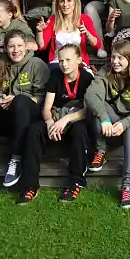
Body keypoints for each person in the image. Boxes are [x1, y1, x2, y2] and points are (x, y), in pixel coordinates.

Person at [18, 44, 95, 204]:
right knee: (34, 131)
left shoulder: (87, 78)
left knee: (80, 131)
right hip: (56, 116)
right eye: (61, 61)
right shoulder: (55, 76)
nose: (64, 64)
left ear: (79, 60)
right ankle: (30, 185)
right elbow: (47, 108)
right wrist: (49, 123)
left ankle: (76, 182)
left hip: (75, 118)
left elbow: (87, 110)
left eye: (68, 60)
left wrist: (65, 120)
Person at [0, 30, 50, 189]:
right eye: (11, 46)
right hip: (6, 114)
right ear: (5, 48)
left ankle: (16, 159)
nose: (16, 50)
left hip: (28, 113)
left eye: (20, 46)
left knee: (20, 100)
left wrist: (16, 99)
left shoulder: (37, 64)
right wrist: (0, 100)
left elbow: (43, 96)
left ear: (26, 46)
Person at [84, 40, 130, 209]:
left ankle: (128, 186)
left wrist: (124, 123)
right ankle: (101, 150)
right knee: (95, 106)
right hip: (113, 115)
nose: (115, 61)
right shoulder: (105, 71)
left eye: (120, 58)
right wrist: (104, 118)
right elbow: (91, 94)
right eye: (113, 57)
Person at [36, 0, 103, 66]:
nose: (65, 4)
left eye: (69, 1)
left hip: (78, 63)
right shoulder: (53, 20)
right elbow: (42, 46)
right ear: (58, 4)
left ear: (75, 3)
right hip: (58, 63)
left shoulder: (85, 19)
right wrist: (40, 32)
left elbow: (97, 45)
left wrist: (87, 34)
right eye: (62, 1)